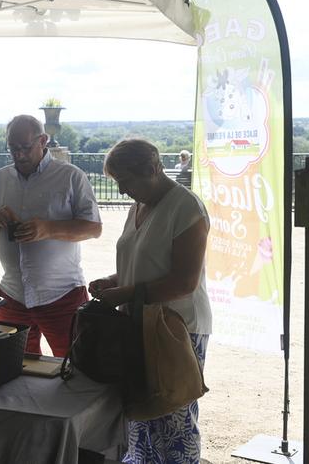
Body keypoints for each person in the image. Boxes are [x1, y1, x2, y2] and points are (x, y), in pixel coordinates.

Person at [88, 138, 212, 464]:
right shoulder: (139, 206)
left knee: (174, 422)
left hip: (176, 328)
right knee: (140, 421)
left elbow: (184, 281)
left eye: (126, 182)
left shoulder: (186, 208)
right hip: (139, 324)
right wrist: (112, 282)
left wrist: (124, 293)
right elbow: (142, 266)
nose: (122, 191)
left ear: (153, 169)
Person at [0, 114, 102, 357]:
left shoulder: (71, 176)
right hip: (13, 295)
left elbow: (94, 228)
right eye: (13, 148)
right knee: (11, 367)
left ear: (43, 140)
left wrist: (48, 229)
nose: (19, 154)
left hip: (61, 294)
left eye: (25, 147)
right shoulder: (1, 178)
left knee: (74, 368)